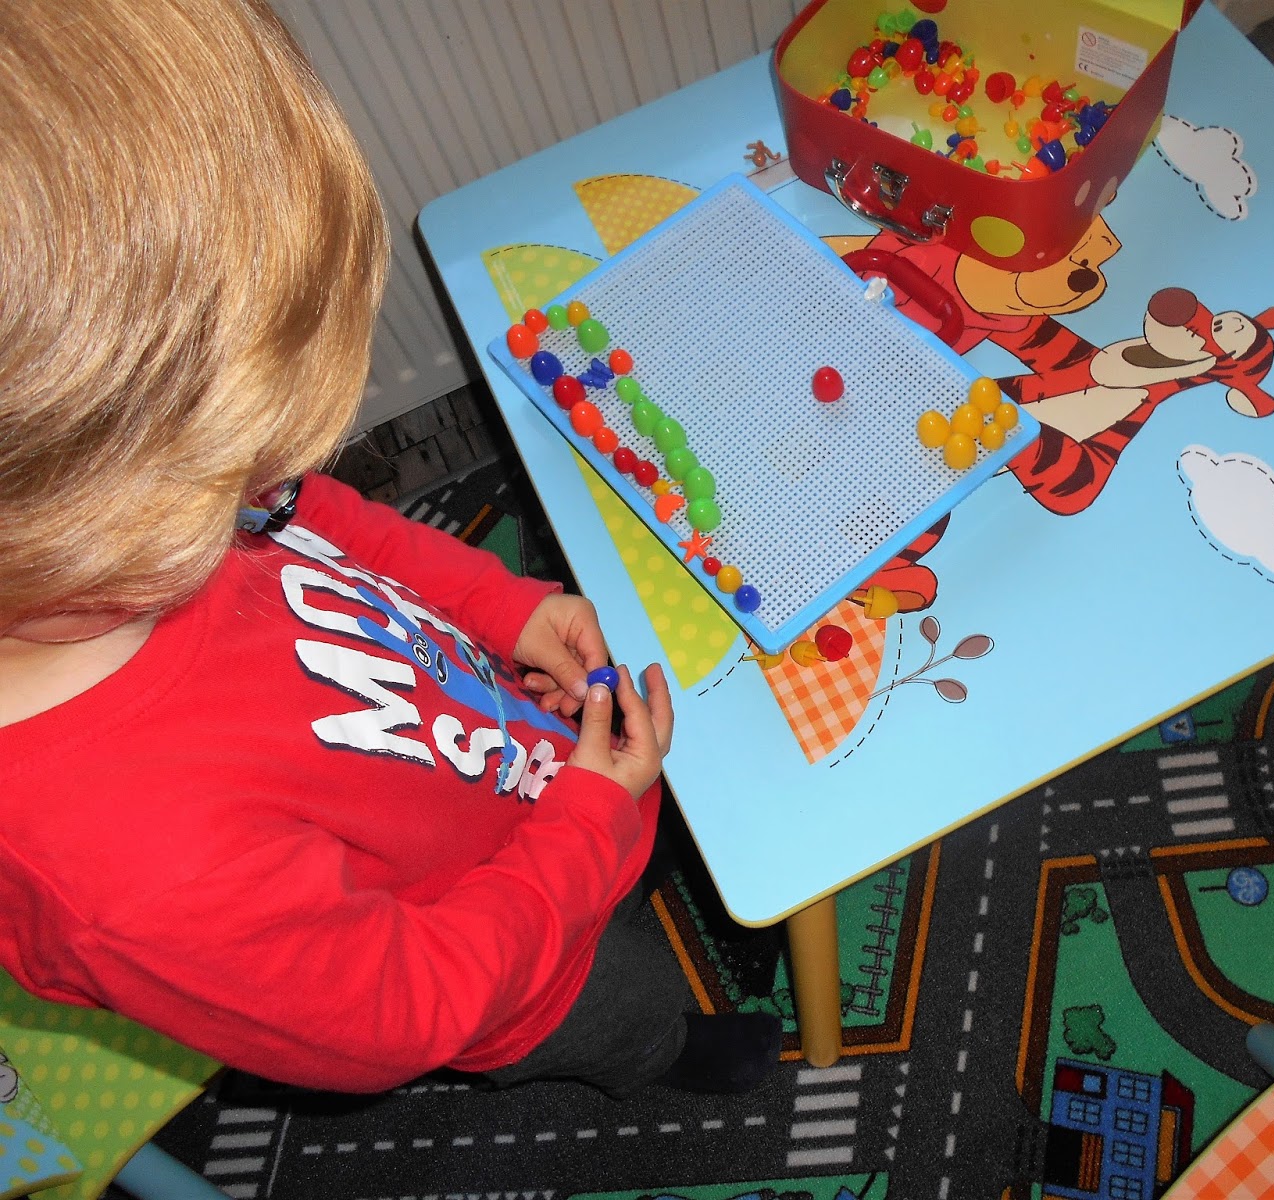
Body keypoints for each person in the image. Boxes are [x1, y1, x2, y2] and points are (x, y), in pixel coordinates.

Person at [0, 0, 778, 1099]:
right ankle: (666, 1053)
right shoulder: (130, 881)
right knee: (628, 1003)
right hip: (524, 974)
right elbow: (417, 1006)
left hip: (521, 761)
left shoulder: (117, 521)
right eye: (226, 481)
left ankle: (637, 870)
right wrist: (588, 827)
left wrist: (500, 609)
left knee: (649, 839)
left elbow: (321, 519)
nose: (271, 489)